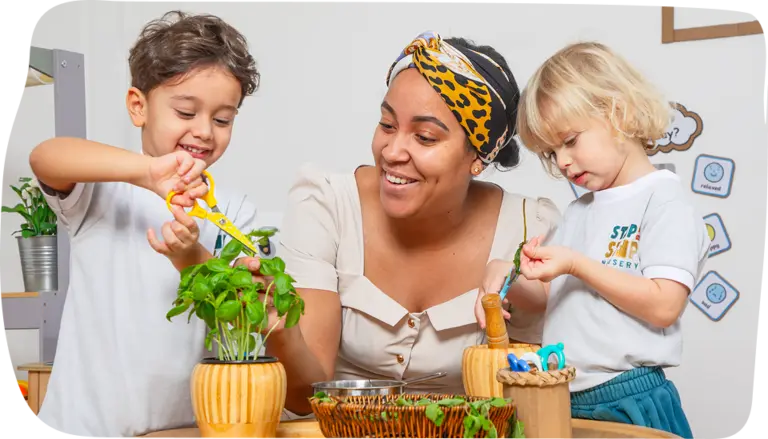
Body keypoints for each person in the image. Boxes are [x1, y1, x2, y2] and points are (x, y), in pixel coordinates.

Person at [219, 31, 561, 416]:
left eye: (425, 137)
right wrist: (281, 331)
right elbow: (303, 398)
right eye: (386, 124)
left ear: (477, 157)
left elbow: (535, 395)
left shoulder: (530, 228)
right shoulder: (326, 204)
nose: (393, 151)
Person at [27, 11, 262, 439]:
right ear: (139, 106)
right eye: (186, 111)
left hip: (173, 434)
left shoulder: (235, 213)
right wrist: (147, 172)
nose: (204, 131)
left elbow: (241, 317)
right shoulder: (104, 191)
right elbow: (46, 156)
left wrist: (191, 256)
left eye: (223, 119)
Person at [477, 42, 708, 439]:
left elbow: (664, 305)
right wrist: (507, 276)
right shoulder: (581, 210)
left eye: (569, 141)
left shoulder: (663, 200)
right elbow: (554, 297)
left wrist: (576, 263)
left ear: (619, 113)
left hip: (628, 397)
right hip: (565, 392)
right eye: (551, 153)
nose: (562, 162)